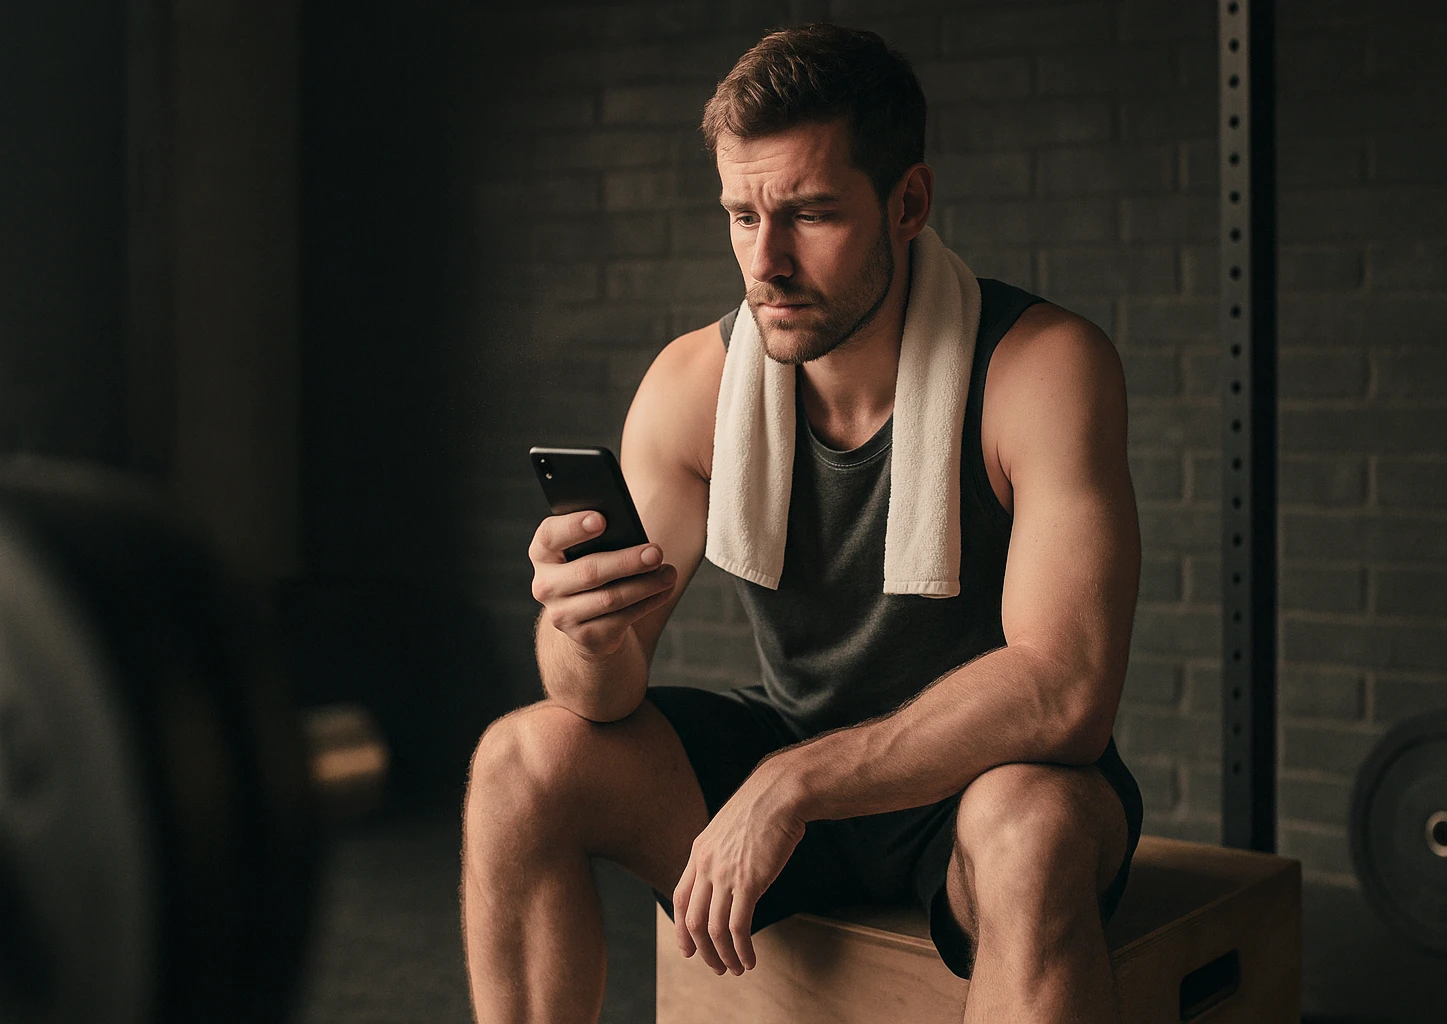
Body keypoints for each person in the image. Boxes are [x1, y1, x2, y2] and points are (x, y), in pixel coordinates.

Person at [462, 22, 1143, 1024]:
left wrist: (794, 783)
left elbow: (1065, 691)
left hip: (980, 782)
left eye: (812, 214)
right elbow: (596, 698)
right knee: (519, 761)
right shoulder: (693, 385)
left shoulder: (1039, 368)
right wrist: (583, 632)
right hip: (791, 754)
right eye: (743, 216)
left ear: (907, 203)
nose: (766, 261)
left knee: (1030, 831)